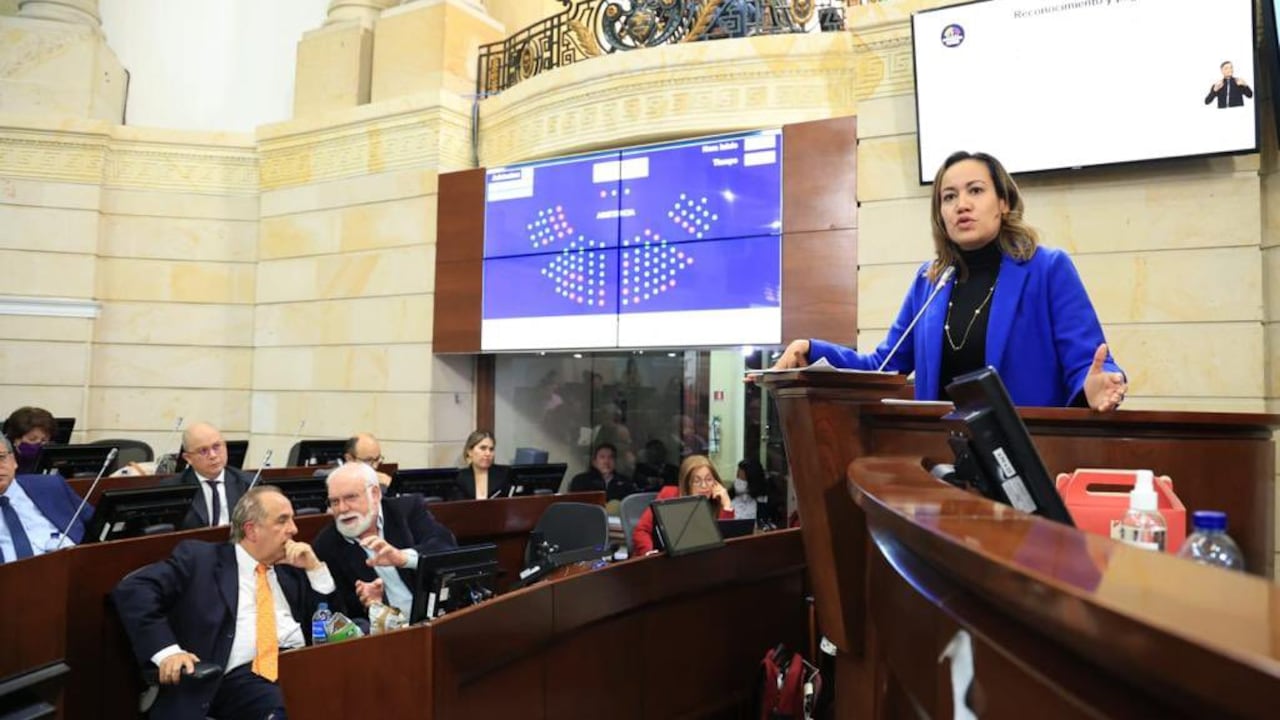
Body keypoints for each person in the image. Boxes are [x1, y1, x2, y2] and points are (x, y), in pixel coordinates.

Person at [770, 150, 1127, 411]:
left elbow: (1088, 361)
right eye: (949, 197)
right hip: (943, 458)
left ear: (1003, 201)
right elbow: (882, 365)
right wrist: (813, 349)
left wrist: (1097, 384)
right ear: (940, 214)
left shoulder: (1047, 269)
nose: (962, 205)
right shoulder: (930, 282)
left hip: (1029, 454)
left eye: (976, 190)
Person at [112, 486, 335, 720]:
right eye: (283, 521)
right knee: (293, 706)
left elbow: (327, 622)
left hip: (299, 664)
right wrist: (168, 653)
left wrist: (315, 570)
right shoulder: (201, 560)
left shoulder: (290, 570)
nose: (294, 529)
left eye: (292, 519)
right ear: (251, 530)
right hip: (240, 676)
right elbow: (133, 589)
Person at [311, 462, 457, 623]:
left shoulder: (406, 511)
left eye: (350, 497)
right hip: (387, 635)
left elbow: (446, 546)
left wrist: (403, 558)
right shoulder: (326, 546)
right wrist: (373, 605)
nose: (342, 509)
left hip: (438, 619)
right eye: (334, 502)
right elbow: (339, 613)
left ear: (374, 494)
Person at [0, 437, 91, 559]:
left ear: (13, 461)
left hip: (79, 566)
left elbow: (97, 522)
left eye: (1, 458)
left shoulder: (51, 486)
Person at [631, 455, 734, 555]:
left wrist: (727, 505)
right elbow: (641, 530)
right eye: (696, 481)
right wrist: (649, 553)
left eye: (708, 479)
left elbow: (724, 544)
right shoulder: (669, 494)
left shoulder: (716, 502)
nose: (704, 486)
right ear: (686, 483)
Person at [159, 422, 254, 530]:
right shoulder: (171, 488)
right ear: (188, 458)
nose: (213, 455)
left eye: (217, 447)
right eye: (203, 451)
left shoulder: (249, 482)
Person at [568, 443, 641, 502]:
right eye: (602, 457)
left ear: (615, 462)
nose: (606, 461)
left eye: (611, 457)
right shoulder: (580, 480)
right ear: (594, 462)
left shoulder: (626, 482)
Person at [455, 430, 511, 499]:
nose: (488, 453)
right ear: (470, 451)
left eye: (491, 449)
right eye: (483, 448)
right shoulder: (460, 478)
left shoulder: (505, 473)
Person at [3, 406, 58, 474]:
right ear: (15, 438)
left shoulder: (48, 453)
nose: (38, 443)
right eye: (32, 439)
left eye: (44, 440)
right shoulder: (3, 454)